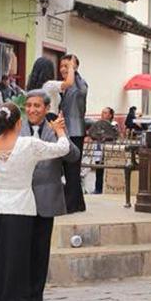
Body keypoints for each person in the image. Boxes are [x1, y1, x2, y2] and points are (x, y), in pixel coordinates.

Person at [0, 91, 80, 301]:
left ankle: (35, 300)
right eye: (28, 105)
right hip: (17, 204)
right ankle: (15, 298)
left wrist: (62, 133)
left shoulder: (54, 129)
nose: (32, 109)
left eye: (37, 105)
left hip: (44, 200)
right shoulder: (15, 128)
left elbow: (74, 156)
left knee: (39, 252)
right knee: (16, 252)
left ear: (46, 108)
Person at [59, 55, 88, 213]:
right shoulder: (64, 85)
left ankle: (71, 204)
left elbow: (82, 92)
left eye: (67, 66)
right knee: (68, 169)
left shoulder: (79, 83)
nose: (64, 69)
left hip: (75, 131)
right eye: (62, 65)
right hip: (65, 130)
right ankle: (78, 203)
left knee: (72, 169)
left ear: (75, 67)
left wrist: (72, 70)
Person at [89, 107, 118, 195]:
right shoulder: (98, 124)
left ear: (110, 115)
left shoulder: (114, 124)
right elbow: (92, 133)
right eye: (102, 112)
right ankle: (98, 188)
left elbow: (114, 135)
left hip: (109, 148)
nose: (103, 114)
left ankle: (109, 188)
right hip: (98, 147)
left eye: (105, 113)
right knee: (99, 168)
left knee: (109, 169)